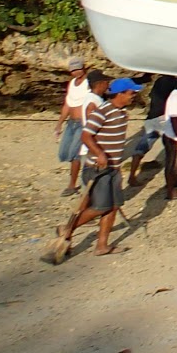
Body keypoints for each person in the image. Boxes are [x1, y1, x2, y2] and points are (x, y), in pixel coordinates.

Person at [51, 78, 142, 261]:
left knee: (114, 207)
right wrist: (99, 153)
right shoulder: (102, 112)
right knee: (101, 207)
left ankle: (102, 245)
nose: (134, 96)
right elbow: (86, 136)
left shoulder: (121, 112)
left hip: (114, 168)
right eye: (131, 93)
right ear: (120, 94)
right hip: (97, 168)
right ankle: (66, 229)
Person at [56, 57, 94, 196]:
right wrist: (59, 123)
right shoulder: (72, 83)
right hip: (71, 123)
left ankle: (72, 185)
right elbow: (68, 104)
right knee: (64, 153)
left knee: (75, 154)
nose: (75, 72)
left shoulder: (89, 83)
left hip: (82, 123)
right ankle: (77, 180)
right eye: (73, 70)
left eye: (78, 69)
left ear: (83, 68)